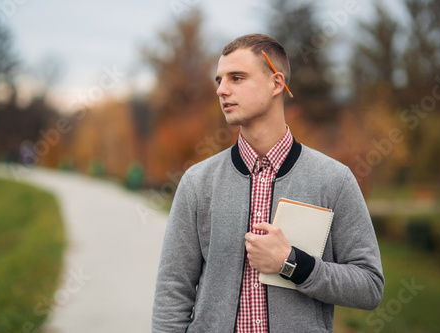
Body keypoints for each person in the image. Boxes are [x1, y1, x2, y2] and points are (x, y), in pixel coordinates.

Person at [152, 33, 384, 332]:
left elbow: (370, 287)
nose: (222, 90)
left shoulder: (334, 180)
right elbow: (173, 289)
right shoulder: (197, 183)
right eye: (218, 80)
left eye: (237, 78)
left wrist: (292, 263)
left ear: (277, 83)